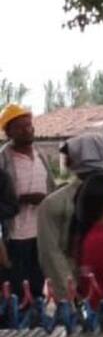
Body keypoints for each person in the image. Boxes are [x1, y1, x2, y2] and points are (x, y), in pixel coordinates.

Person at [37, 133, 103, 296]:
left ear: (70, 162)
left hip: (84, 281)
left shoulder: (53, 202)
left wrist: (67, 289)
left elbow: (50, 253)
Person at [0, 104, 55, 295]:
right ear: (8, 132)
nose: (28, 129)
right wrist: (22, 199)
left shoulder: (41, 155)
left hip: (40, 233)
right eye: (20, 126)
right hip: (14, 236)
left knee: (38, 282)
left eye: (29, 125)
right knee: (15, 285)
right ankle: (16, 321)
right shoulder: (3, 160)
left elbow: (51, 188)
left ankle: (37, 319)